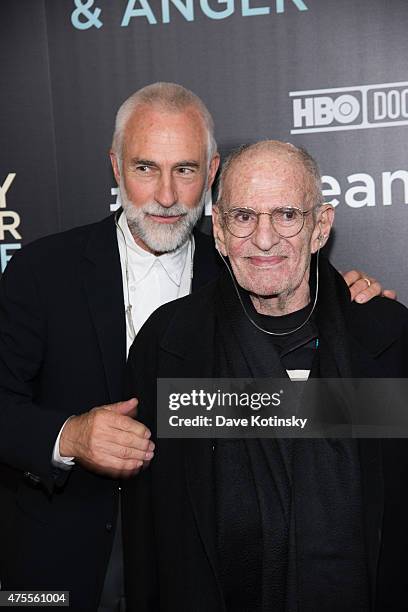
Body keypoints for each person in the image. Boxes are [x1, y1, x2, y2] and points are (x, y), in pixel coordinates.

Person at [0, 83, 389, 611]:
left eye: (184, 170)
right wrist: (68, 436)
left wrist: (348, 305)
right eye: (145, 169)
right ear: (116, 169)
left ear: (211, 176)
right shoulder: (41, 271)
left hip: (197, 557)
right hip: (65, 557)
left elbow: (303, 390)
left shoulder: (247, 259)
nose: (165, 195)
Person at [123, 140, 408, 611]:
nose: (264, 238)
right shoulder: (169, 343)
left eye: (287, 215)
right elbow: (147, 527)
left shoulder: (388, 340)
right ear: (218, 230)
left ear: (320, 227)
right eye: (243, 217)